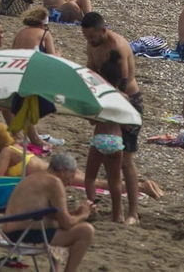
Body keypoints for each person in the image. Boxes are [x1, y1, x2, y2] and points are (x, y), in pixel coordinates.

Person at [80, 12, 145, 223]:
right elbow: (91, 69)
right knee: (112, 164)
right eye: (87, 38)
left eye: (92, 37)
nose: (89, 42)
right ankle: (116, 212)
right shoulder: (92, 45)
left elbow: (123, 83)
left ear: (103, 30)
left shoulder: (117, 46)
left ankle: (133, 213)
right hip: (106, 100)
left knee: (126, 161)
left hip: (128, 101)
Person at [1, 151, 94, 272]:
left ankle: (55, 268)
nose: (70, 183)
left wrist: (77, 213)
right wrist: (83, 214)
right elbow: (66, 223)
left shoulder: (35, 177)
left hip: (11, 230)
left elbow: (56, 216)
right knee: (86, 231)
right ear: (64, 170)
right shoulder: (54, 182)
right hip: (22, 234)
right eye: (71, 176)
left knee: (58, 226)